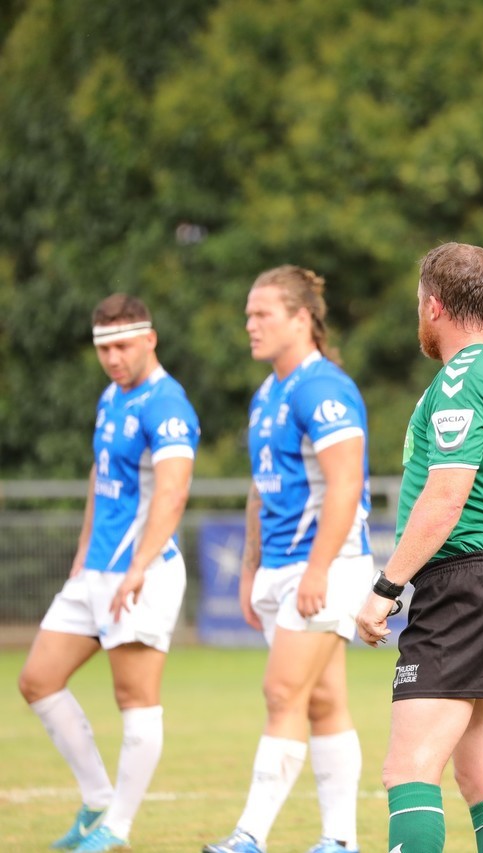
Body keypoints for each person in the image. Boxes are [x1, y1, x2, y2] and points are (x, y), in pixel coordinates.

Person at [354, 242, 483, 853]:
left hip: (465, 584)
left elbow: (445, 498)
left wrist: (386, 587)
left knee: (408, 770)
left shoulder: (461, 380)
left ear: (433, 306)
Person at [18, 294, 199, 852]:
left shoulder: (167, 404)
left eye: (122, 346)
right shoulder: (111, 397)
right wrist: (82, 551)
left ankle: (117, 827)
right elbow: (101, 475)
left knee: (135, 699)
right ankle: (98, 798)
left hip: (143, 572)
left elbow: (172, 492)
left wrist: (137, 567)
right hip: (94, 571)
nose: (113, 358)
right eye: (104, 349)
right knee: (37, 680)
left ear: (150, 339)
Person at [205, 266, 374, 853]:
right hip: (280, 566)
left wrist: (319, 568)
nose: (250, 325)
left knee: (281, 693)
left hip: (326, 565)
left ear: (301, 319)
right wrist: (251, 567)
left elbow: (346, 484)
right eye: (249, 315)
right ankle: (340, 841)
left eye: (263, 314)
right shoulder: (268, 392)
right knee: (323, 702)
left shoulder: (321, 388)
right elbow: (261, 486)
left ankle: (249, 835)